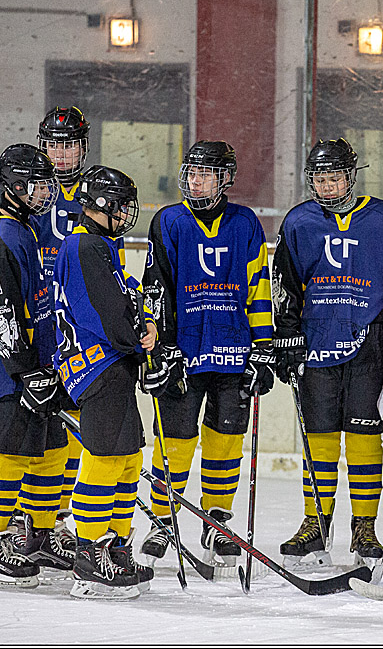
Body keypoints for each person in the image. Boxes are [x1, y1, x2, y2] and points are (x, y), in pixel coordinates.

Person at [273, 138, 383, 568]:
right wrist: (286, 336)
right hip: (315, 343)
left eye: (334, 177)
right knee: (317, 438)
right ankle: (316, 523)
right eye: (318, 178)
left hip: (368, 344)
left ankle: (364, 526)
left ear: (352, 176)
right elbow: (285, 283)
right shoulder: (299, 222)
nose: (326, 186)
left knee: (363, 435)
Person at [139, 141, 274, 571]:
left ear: (225, 178)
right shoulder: (169, 221)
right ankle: (164, 520)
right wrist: (158, 349)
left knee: (225, 440)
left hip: (234, 352)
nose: (195, 181)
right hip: (184, 353)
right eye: (191, 172)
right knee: (174, 445)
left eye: (205, 174)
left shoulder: (245, 223)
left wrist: (264, 349)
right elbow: (154, 288)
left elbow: (258, 287)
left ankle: (217, 521)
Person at [53, 164, 161, 599]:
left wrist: (145, 321)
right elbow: (105, 314)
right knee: (103, 457)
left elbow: (126, 299)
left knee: (128, 456)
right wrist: (141, 341)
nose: (125, 214)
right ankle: (89, 554)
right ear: (100, 206)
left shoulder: (101, 245)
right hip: (96, 368)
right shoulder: (84, 247)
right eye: (120, 206)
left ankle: (115, 547)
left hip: (113, 366)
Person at [0, 144, 69, 589]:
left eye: (46, 184)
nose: (43, 193)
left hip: (38, 363)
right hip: (11, 371)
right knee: (9, 456)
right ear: (10, 186)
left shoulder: (22, 228)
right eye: (35, 184)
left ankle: (41, 536)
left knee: (51, 453)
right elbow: (1, 314)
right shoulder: (0, 237)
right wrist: (25, 369)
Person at [15, 105, 91, 552]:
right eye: (53, 145)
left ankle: (56, 519)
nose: (59, 155)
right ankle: (28, 518)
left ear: (83, 146)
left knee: (74, 428)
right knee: (35, 426)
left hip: (77, 322)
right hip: (38, 319)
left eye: (68, 145)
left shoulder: (97, 191)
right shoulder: (23, 190)